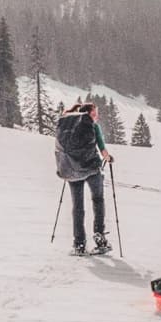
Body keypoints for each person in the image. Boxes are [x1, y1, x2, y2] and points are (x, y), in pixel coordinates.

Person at [55, 102, 114, 255]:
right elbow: (102, 149)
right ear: (88, 114)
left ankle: (79, 244)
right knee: (98, 200)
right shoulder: (93, 126)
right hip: (91, 169)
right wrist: (108, 158)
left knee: (77, 207)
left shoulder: (68, 126)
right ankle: (100, 238)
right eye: (95, 114)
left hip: (71, 169)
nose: (97, 116)